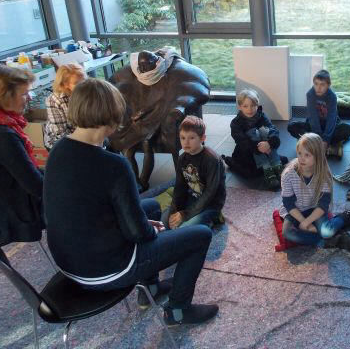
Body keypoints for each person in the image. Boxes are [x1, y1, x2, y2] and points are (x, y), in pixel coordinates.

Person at [44, 78, 217, 325]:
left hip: (69, 264)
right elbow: (138, 232)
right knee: (200, 235)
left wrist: (144, 226)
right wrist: (151, 230)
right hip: (108, 270)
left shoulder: (58, 150)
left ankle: (151, 288)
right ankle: (179, 310)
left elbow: (88, 208)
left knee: (152, 206)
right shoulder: (114, 165)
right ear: (113, 116)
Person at [0, 65, 44, 245]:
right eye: (24, 94)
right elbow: (36, 186)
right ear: (4, 97)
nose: (30, 98)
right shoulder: (2, 135)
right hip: (14, 216)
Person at [280, 133, 350, 256]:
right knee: (288, 233)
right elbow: (288, 203)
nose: (301, 158)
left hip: (315, 209)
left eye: (307, 155)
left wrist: (307, 222)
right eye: (299, 153)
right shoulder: (288, 174)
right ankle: (332, 241)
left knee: (326, 231)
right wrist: (303, 221)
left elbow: (323, 205)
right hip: (295, 211)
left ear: (318, 156)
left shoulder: (323, 174)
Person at [161, 115, 226, 230]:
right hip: (193, 197)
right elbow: (180, 188)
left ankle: (213, 218)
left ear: (202, 138)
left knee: (185, 229)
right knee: (165, 222)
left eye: (191, 138)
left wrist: (185, 214)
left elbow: (210, 193)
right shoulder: (182, 159)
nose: (186, 142)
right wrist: (174, 211)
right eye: (182, 138)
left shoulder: (212, 159)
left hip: (211, 203)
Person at [224, 89, 284, 189]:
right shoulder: (236, 123)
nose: (250, 109)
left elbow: (272, 129)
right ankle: (231, 161)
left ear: (257, 105)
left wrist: (269, 143)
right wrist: (258, 148)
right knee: (250, 173)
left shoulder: (262, 116)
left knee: (268, 135)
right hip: (247, 151)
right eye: (245, 106)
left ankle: (277, 168)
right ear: (240, 107)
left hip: (265, 147)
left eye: (253, 105)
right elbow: (242, 141)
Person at [287, 69, 350, 157]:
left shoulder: (332, 96)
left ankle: (311, 145)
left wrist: (326, 139)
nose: (318, 88)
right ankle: (330, 148)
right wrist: (318, 138)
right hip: (314, 126)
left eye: (322, 84)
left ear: (328, 85)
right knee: (292, 126)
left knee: (347, 129)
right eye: (316, 84)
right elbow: (312, 117)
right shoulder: (310, 94)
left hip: (329, 126)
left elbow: (331, 118)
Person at [44, 62, 86, 150]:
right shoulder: (54, 100)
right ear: (64, 84)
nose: (83, 85)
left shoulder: (87, 92)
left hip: (83, 136)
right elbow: (60, 133)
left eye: (84, 80)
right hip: (60, 143)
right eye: (76, 83)